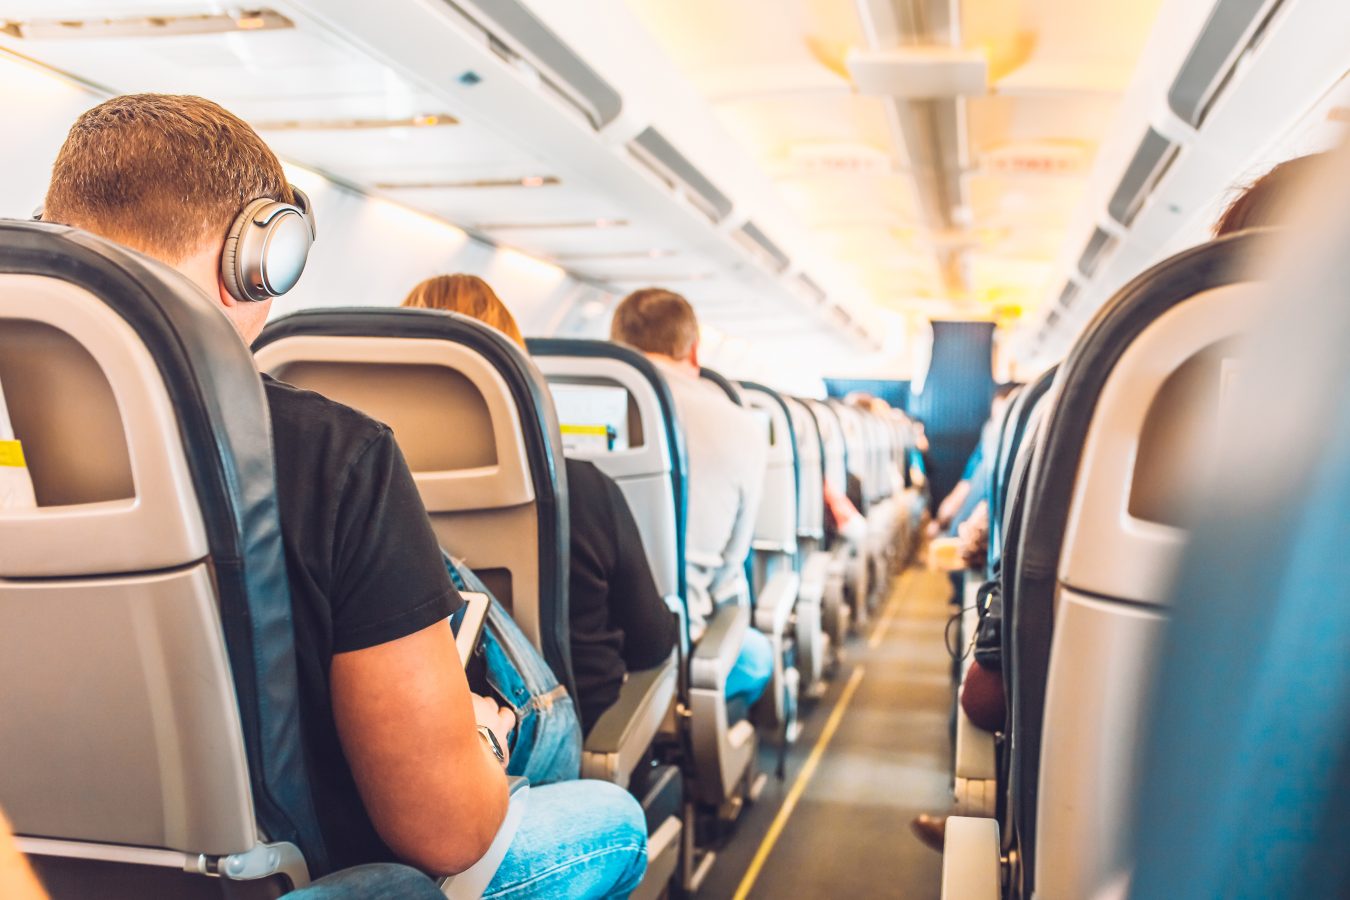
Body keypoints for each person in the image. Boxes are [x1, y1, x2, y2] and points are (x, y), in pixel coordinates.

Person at [40, 94, 645, 898]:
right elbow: (447, 834)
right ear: (260, 258)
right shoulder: (334, 455)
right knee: (607, 816)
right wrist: (481, 746)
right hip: (284, 880)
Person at [402, 274, 679, 735]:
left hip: (415, 725)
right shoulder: (582, 489)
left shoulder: (362, 485)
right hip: (564, 726)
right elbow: (650, 644)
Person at [610, 288, 773, 709]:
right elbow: (731, 561)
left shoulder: (566, 406)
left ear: (613, 346)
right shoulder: (741, 426)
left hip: (578, 637)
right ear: (695, 350)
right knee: (756, 657)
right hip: (680, 643)